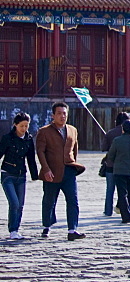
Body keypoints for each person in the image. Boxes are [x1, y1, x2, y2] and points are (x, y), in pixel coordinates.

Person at [35, 102, 86, 240]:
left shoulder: (72, 130)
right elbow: (40, 152)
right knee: (49, 200)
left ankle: (72, 229)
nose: (62, 116)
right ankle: (47, 226)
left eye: (64, 113)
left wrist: (73, 164)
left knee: (73, 200)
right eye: (59, 113)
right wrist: (46, 169)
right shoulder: (44, 131)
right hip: (52, 171)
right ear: (53, 115)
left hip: (69, 170)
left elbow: (75, 150)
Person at [0, 112, 39, 239]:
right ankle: (12, 230)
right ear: (15, 125)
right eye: (21, 126)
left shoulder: (28, 139)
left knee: (21, 204)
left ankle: (15, 230)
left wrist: (35, 175)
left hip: (21, 176)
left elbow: (31, 159)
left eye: (26, 126)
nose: (24, 129)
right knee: (14, 203)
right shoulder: (7, 138)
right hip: (7, 175)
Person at [100, 111, 130, 216]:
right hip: (127, 165)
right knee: (127, 191)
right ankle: (129, 210)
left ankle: (108, 211)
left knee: (110, 190)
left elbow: (104, 148)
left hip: (111, 165)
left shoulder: (110, 133)